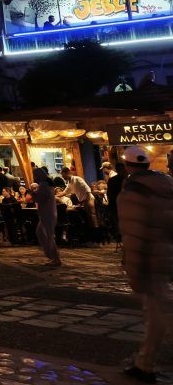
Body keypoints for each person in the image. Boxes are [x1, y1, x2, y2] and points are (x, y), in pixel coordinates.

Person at [117, 145, 173, 383]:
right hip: (168, 253)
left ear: (128, 166)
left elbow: (135, 234)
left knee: (158, 313)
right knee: (156, 313)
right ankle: (144, 363)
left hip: (151, 260)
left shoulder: (132, 193)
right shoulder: (166, 185)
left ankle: (145, 364)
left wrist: (134, 271)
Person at [31, 165, 61, 267]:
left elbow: (38, 198)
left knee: (48, 236)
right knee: (41, 232)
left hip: (47, 213)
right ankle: (51, 255)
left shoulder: (44, 186)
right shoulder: (46, 184)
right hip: (47, 212)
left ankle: (55, 258)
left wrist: (33, 193)